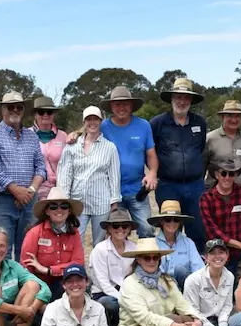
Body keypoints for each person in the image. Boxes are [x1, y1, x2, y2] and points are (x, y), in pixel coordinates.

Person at [0, 90, 47, 260]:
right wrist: (15, 189)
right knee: (0, 250)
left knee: (27, 250)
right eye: (10, 107)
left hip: (29, 201)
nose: (15, 110)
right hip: (0, 201)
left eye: (19, 107)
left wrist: (30, 191)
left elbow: (41, 167)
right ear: (2, 109)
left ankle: (23, 279)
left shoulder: (32, 137)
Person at [149, 77, 208, 248]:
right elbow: (150, 152)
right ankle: (168, 262)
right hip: (168, 186)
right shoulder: (157, 123)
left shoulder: (200, 123)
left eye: (186, 98)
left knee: (198, 229)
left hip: (195, 186)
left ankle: (197, 261)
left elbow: (200, 148)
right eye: (178, 97)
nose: (182, 101)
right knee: (170, 229)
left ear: (191, 101)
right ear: (172, 99)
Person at [57, 105, 121, 246]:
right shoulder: (71, 146)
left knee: (100, 243)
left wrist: (114, 202)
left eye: (96, 119)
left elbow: (114, 177)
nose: (92, 122)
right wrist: (64, 200)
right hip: (77, 202)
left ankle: (97, 262)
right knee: (74, 240)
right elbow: (65, 175)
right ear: (84, 122)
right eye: (89, 119)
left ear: (101, 121)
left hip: (101, 202)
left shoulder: (109, 147)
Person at [100, 85, 157, 235]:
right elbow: (86, 132)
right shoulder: (102, 127)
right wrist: (75, 134)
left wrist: (152, 173)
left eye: (125, 104)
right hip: (111, 191)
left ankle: (146, 251)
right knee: (115, 233)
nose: (121, 108)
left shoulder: (143, 125)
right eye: (117, 104)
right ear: (111, 106)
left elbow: (151, 154)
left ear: (131, 105)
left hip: (137, 189)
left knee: (147, 229)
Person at [21, 187, 86, 298]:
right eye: (54, 207)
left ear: (69, 211)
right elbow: (26, 266)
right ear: (47, 211)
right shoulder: (35, 232)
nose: (59, 210)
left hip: (65, 282)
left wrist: (49, 270)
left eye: (64, 206)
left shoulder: (74, 233)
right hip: (39, 284)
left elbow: (78, 263)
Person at [88, 206, 136, 326]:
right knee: (108, 303)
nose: (120, 229)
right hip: (103, 293)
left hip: (127, 292)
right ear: (109, 228)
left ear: (129, 228)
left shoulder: (134, 248)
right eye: (116, 225)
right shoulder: (100, 249)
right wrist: (125, 299)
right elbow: (103, 283)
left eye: (124, 226)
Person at [204, 99, 241, 191]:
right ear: (222, 117)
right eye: (230, 115)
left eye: (237, 116)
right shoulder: (210, 138)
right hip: (214, 194)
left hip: (240, 194)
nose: (234, 120)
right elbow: (202, 169)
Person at [150, 200, 203, 289]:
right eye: (168, 220)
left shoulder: (188, 243)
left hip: (187, 287)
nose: (172, 223)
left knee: (181, 271)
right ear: (162, 222)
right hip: (162, 287)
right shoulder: (152, 244)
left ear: (180, 223)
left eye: (176, 220)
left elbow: (199, 269)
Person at [32, 95, 70, 202]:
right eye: (41, 112)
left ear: (54, 114)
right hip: (34, 191)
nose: (45, 115)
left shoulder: (63, 136)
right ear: (35, 114)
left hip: (58, 191)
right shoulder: (26, 134)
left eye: (49, 112)